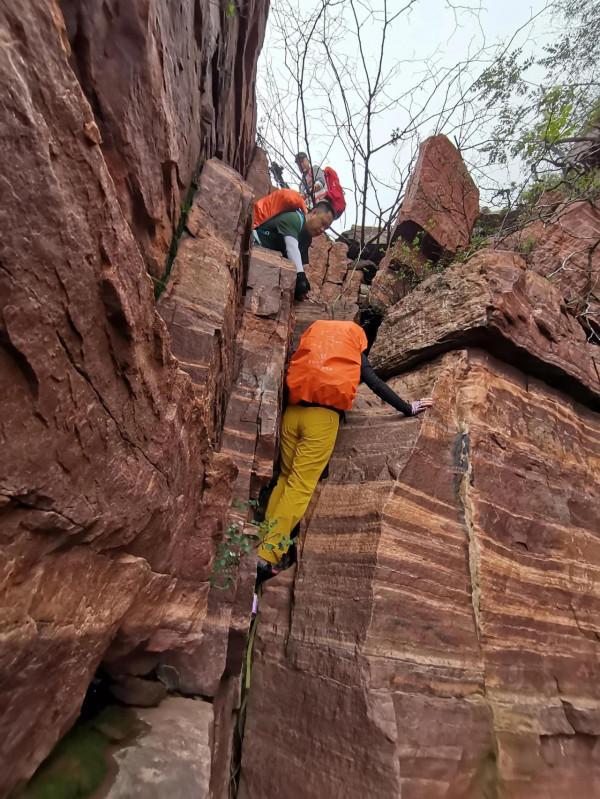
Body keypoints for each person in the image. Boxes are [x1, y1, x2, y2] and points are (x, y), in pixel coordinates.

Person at [256, 320, 433, 582]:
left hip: (293, 414)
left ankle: (262, 541)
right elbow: (374, 382)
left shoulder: (314, 343)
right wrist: (408, 407)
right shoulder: (350, 349)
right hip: (321, 418)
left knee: (284, 478)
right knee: (300, 486)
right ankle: (267, 555)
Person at [253, 201, 334, 301]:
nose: (322, 229)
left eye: (326, 228)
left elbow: (300, 265)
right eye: (323, 223)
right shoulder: (294, 218)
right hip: (255, 247)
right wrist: (300, 278)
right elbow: (292, 248)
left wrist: (304, 287)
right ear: (314, 213)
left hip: (269, 262)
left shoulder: (307, 239)